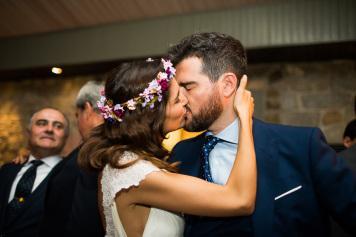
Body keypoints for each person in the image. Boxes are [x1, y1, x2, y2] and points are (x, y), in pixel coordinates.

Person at [168, 32, 356, 237]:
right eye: (178, 90)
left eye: (188, 87)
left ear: (228, 85)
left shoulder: (303, 146)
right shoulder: (181, 155)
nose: (181, 99)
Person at [78, 58, 256, 237]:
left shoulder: (125, 161)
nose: (186, 101)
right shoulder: (134, 174)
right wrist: (244, 118)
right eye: (178, 99)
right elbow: (240, 200)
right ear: (153, 115)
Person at [38, 81, 105, 237]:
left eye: (77, 115)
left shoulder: (89, 155)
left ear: (87, 108)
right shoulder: (115, 147)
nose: (78, 121)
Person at [0, 107, 69, 237]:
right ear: (28, 132)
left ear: (65, 137)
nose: (49, 129)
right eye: (41, 123)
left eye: (58, 126)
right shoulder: (6, 170)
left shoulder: (71, 175)